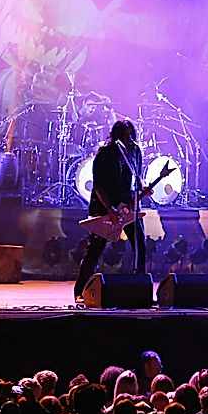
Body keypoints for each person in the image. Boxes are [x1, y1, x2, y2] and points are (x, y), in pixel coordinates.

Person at [73, 119, 147, 300]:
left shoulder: (135, 151)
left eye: (131, 135)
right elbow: (98, 186)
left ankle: (140, 290)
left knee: (140, 246)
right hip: (105, 206)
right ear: (117, 135)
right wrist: (110, 209)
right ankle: (80, 291)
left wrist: (143, 187)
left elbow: (137, 177)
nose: (130, 138)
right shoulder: (105, 153)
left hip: (127, 205)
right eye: (126, 135)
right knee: (95, 249)